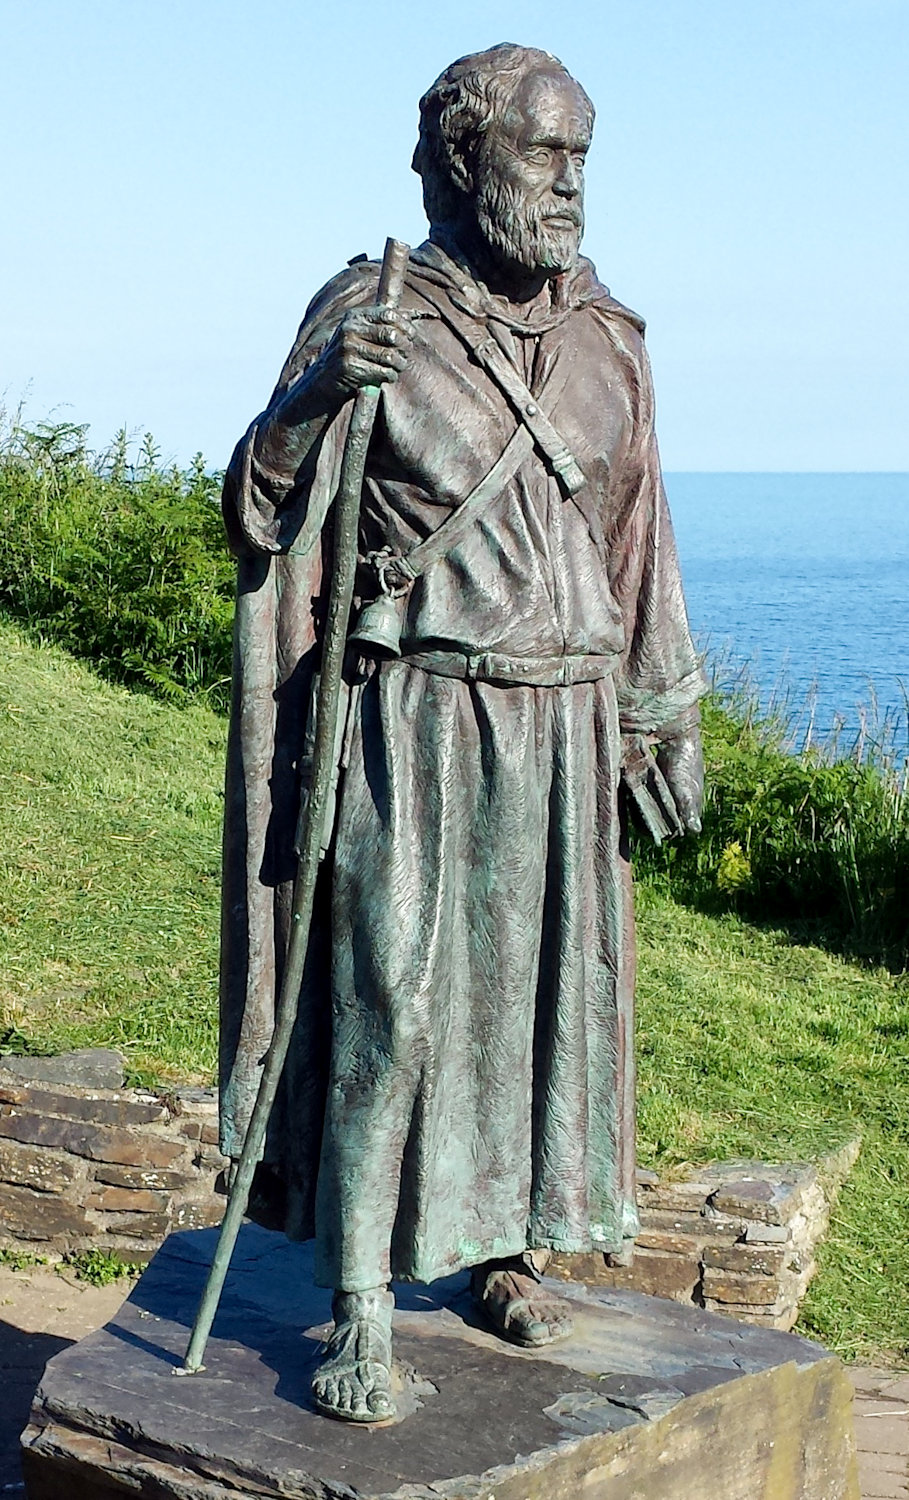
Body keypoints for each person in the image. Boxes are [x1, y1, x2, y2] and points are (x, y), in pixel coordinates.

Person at [219, 42, 705, 1424]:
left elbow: (636, 537)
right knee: (395, 1004)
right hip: (414, 720)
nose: (569, 188)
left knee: (545, 1001)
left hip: (563, 720)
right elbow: (254, 519)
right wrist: (306, 405)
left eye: (580, 160)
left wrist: (659, 712)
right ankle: (362, 1298)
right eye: (543, 157)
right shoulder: (374, 311)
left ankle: (501, 1250)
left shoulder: (609, 337)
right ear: (456, 158)